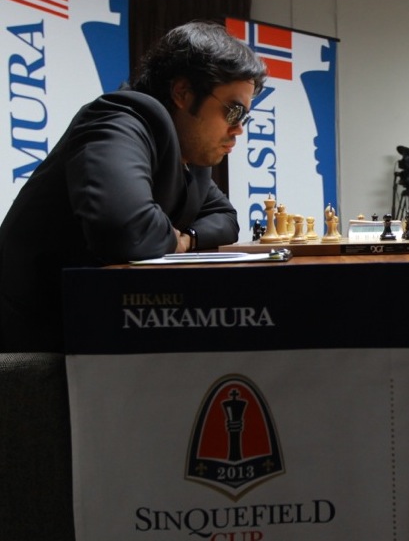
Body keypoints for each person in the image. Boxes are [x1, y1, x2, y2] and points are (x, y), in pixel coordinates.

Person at [0, 20, 267, 352]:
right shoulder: (117, 120)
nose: (238, 129)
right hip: (29, 353)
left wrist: (187, 237)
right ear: (183, 93)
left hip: (89, 335)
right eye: (233, 111)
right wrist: (181, 242)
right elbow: (126, 230)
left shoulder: (186, 158)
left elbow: (225, 218)